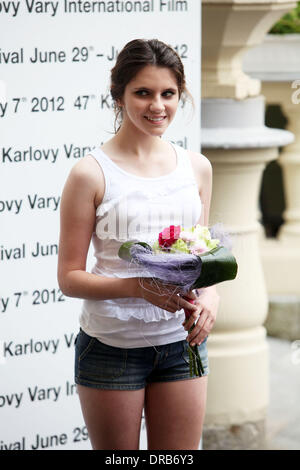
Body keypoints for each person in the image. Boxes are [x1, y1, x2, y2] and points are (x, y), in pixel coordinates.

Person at [57, 38, 220, 450]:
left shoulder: (197, 168)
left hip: (182, 345)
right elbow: (69, 278)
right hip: (111, 346)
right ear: (119, 95)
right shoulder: (90, 174)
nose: (157, 106)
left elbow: (205, 259)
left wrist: (211, 301)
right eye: (142, 93)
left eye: (168, 93)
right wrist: (137, 287)